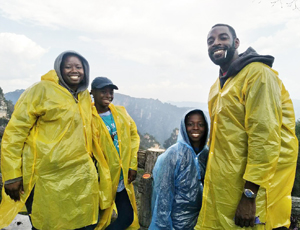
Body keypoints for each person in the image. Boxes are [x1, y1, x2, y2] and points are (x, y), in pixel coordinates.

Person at [195, 24, 298, 230]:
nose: (216, 43)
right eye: (210, 40)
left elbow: (265, 138)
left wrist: (249, 195)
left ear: (236, 43)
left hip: (252, 194)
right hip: (222, 192)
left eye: (222, 37)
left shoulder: (258, 74)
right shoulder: (218, 86)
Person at [0, 51, 111, 230]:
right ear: (59, 68)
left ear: (85, 70)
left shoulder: (83, 96)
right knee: (47, 224)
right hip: (47, 178)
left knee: (83, 224)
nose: (74, 70)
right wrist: (12, 174)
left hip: (80, 177)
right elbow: (15, 132)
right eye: (68, 66)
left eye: (78, 67)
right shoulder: (41, 90)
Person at [91, 77, 140, 230]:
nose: (108, 95)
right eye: (103, 91)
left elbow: (133, 137)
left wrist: (132, 165)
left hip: (120, 178)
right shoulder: (87, 116)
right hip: (99, 180)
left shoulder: (120, 113)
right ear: (92, 92)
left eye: (110, 92)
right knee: (94, 220)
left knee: (126, 217)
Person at [149, 109, 209, 230]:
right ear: (184, 127)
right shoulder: (173, 154)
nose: (196, 128)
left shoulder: (206, 155)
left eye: (200, 124)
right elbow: (163, 196)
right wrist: (165, 226)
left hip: (200, 222)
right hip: (175, 223)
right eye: (190, 124)